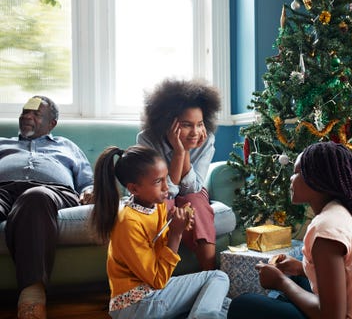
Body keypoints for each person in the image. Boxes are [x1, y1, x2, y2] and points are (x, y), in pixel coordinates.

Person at [228, 141, 352, 319]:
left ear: (317, 180)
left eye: (297, 173)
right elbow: (350, 273)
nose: (291, 179)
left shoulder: (326, 227)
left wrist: (280, 282)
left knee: (241, 304)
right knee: (299, 280)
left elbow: (332, 317)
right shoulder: (349, 213)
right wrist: (301, 268)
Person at [91, 145, 230, 319]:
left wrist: (177, 224)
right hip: (136, 304)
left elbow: (158, 248)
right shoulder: (128, 221)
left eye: (166, 178)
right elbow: (158, 279)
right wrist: (176, 234)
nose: (167, 187)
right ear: (134, 189)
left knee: (224, 304)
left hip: (150, 298)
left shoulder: (156, 207)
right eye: (158, 182)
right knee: (218, 278)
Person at [0, 96, 94, 319]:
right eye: (25, 112)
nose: (27, 117)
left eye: (35, 113)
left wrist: (91, 190)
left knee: (35, 197)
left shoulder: (67, 146)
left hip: (51, 192)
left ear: (52, 123)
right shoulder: (2, 143)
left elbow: (87, 181)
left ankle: (32, 298)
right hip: (3, 190)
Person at [137, 78, 221, 271]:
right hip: (157, 193)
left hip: (189, 192)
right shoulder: (146, 139)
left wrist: (187, 151)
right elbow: (164, 193)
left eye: (199, 124)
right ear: (168, 123)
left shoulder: (206, 140)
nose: (195, 132)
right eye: (186, 125)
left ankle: (210, 273)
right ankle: (158, 276)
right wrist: (179, 152)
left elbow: (192, 188)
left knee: (198, 203)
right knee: (162, 206)